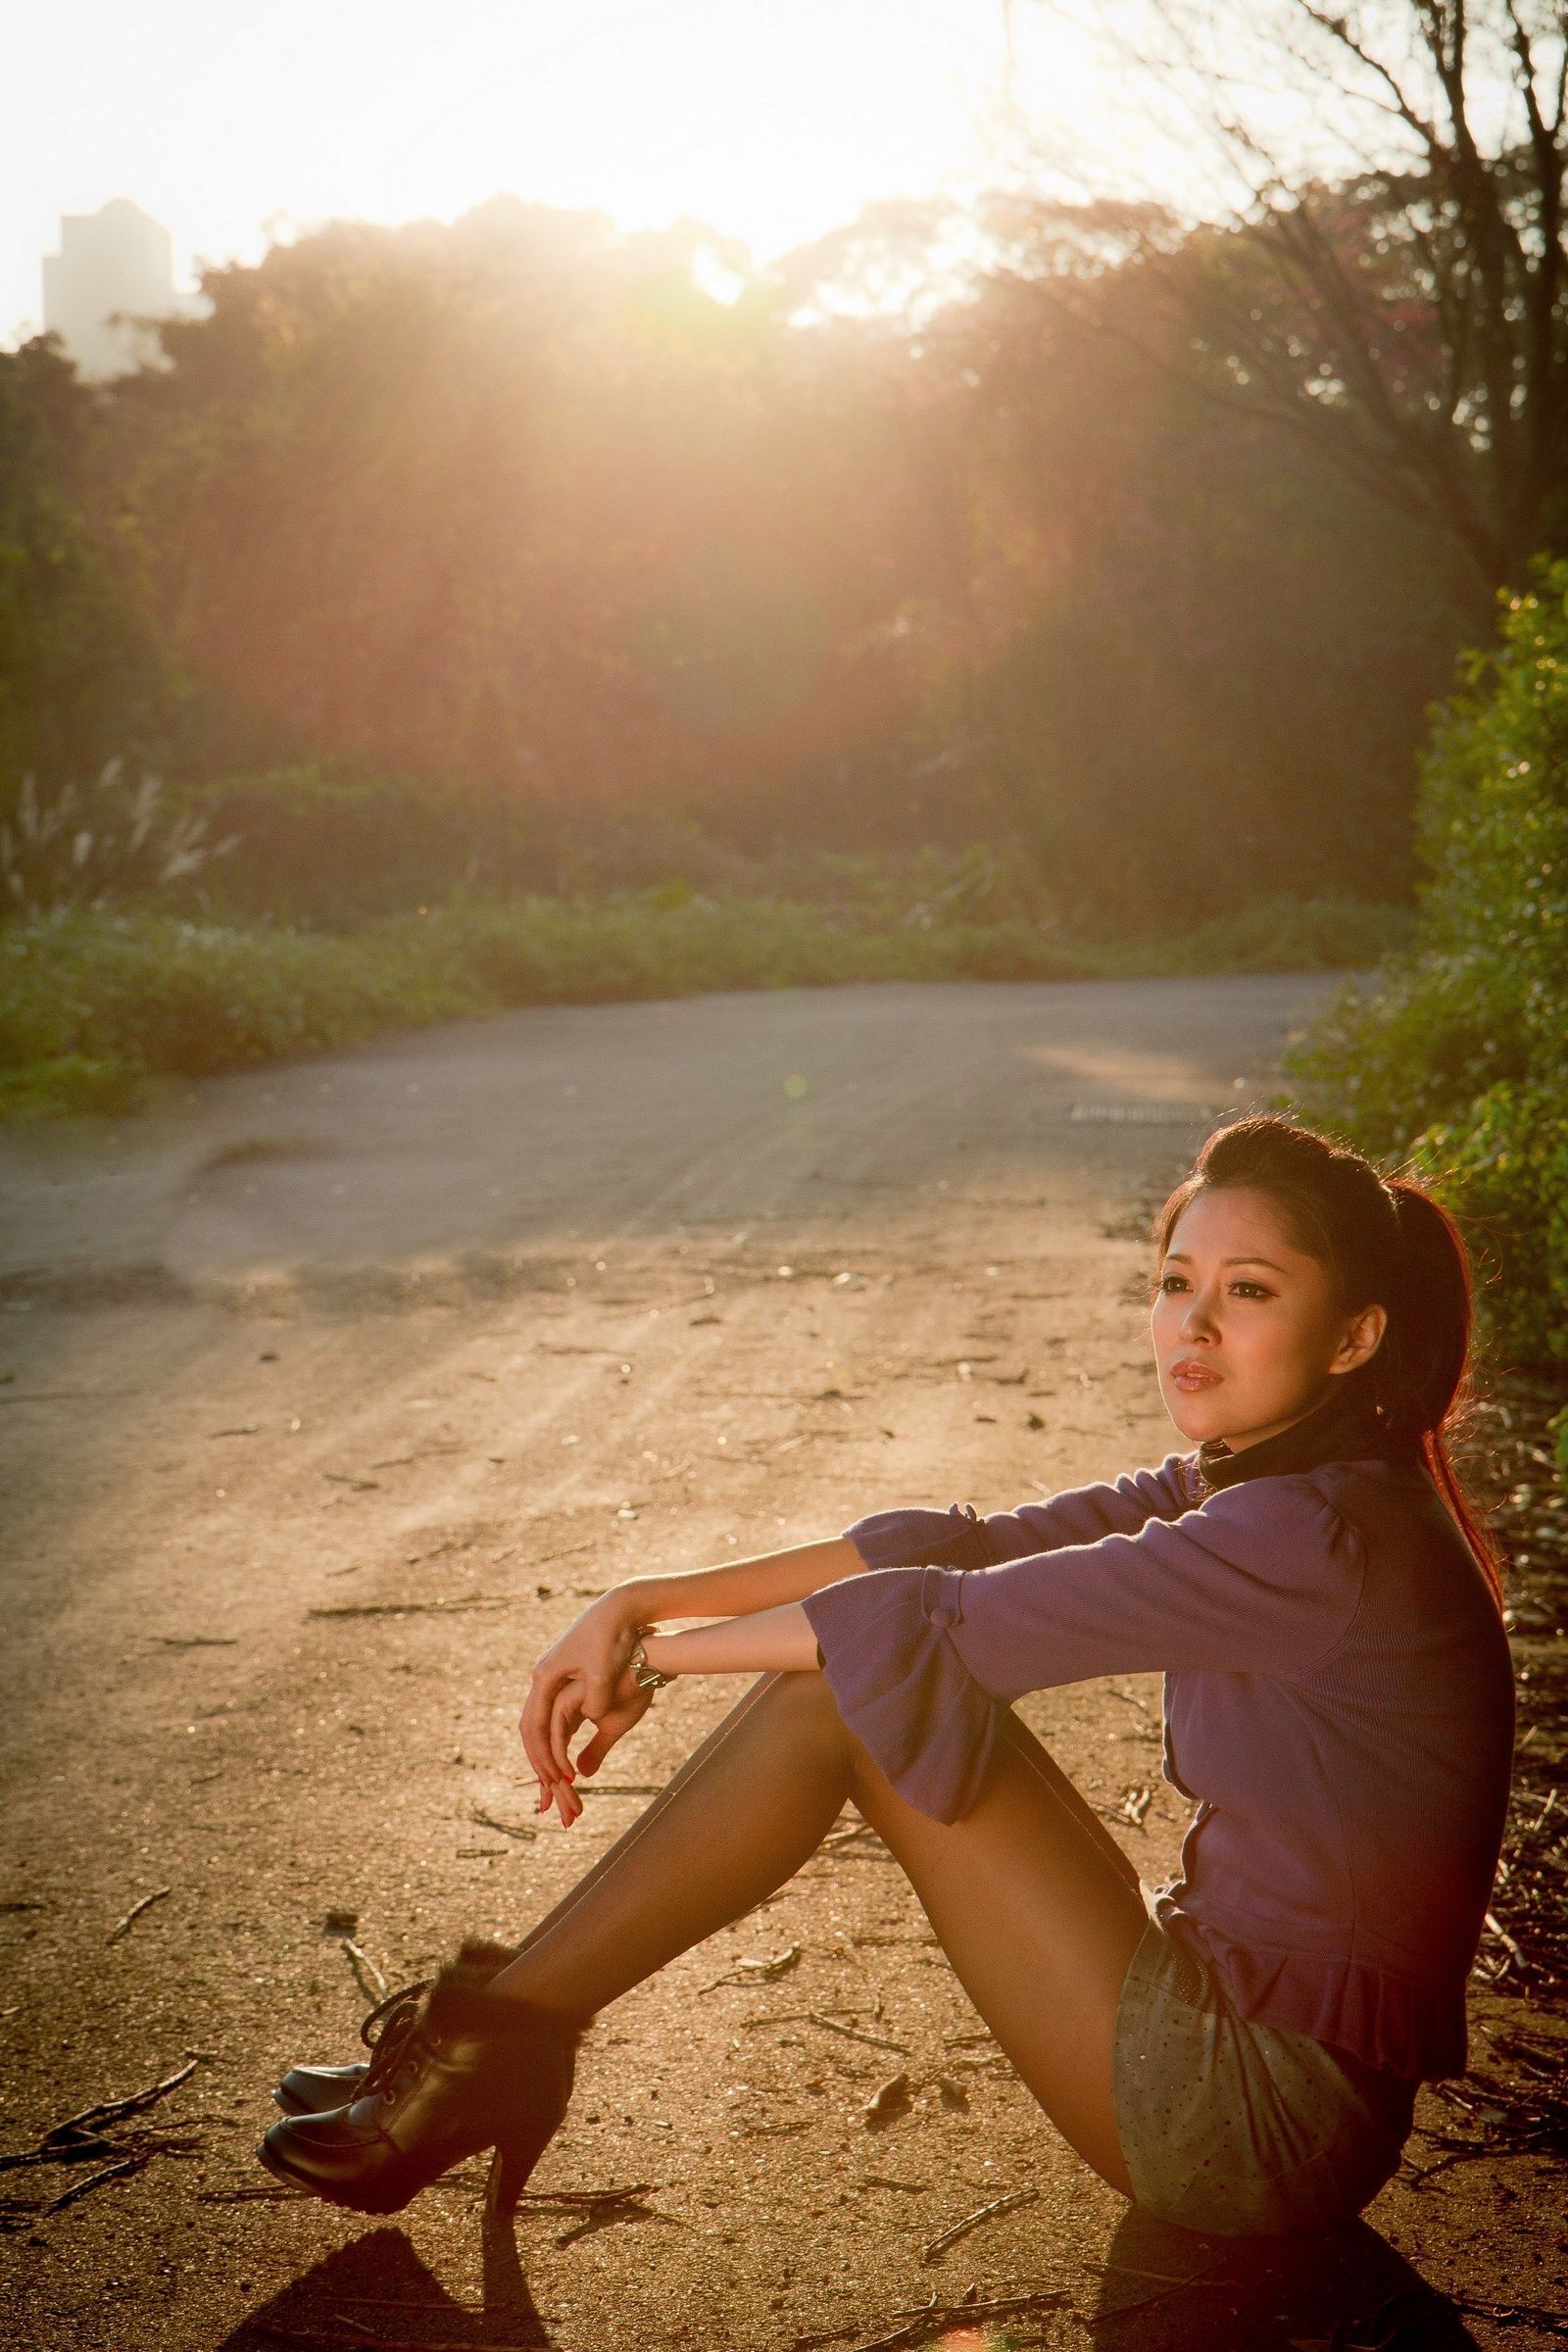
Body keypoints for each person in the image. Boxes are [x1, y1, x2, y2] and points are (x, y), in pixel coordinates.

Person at [258, 1112, 1515, 2237]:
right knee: (855, 1667)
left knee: (839, 1693)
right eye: (1173, 1281)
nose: (1189, 1324)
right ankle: (487, 2049)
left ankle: (481, 2055)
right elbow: (965, 1545)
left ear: (1354, 1336)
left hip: (1251, 2120)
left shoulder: (1313, 1538)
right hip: (1265, 2061)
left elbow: (934, 1620)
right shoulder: (1289, 1486)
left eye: (1246, 1290)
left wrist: (658, 1655)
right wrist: (640, 1598)